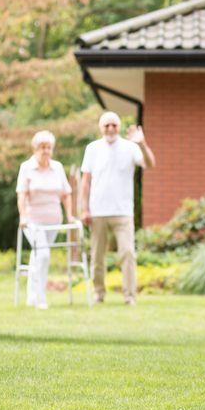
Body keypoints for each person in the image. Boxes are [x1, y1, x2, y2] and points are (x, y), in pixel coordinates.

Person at [79, 111, 155, 305]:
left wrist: (142, 144)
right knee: (97, 256)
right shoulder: (92, 148)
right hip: (97, 212)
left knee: (128, 253)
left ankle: (129, 296)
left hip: (123, 212)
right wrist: (84, 209)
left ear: (119, 127)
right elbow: (85, 182)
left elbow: (150, 164)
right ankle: (99, 294)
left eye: (114, 125)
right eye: (107, 125)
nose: (111, 128)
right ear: (101, 128)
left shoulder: (131, 147)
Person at [16, 130, 74, 310]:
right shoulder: (26, 167)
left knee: (38, 256)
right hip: (32, 221)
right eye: (42, 147)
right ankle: (40, 298)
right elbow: (21, 194)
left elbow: (66, 194)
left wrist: (70, 215)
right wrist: (23, 216)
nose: (46, 151)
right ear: (35, 149)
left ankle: (31, 296)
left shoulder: (57, 167)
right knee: (43, 254)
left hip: (53, 220)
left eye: (49, 147)